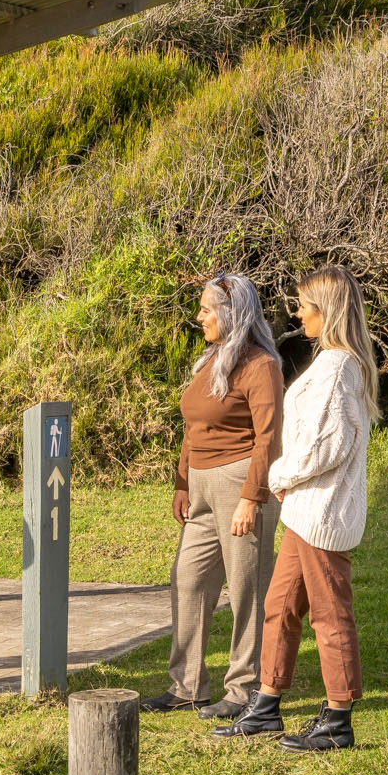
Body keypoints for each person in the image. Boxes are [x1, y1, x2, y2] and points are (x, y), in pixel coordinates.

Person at [212, 264, 379, 751]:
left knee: (330, 614)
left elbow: (328, 447)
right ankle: (265, 705)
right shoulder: (333, 361)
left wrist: (278, 476)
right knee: (279, 605)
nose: (298, 313)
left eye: (305, 306)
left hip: (321, 513)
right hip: (305, 510)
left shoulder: (341, 366)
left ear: (326, 312)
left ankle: (338, 717)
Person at [141, 274, 283, 719]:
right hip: (201, 485)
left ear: (231, 313)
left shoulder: (261, 365)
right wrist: (183, 483)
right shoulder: (210, 361)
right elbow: (193, 427)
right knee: (188, 579)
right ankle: (187, 685)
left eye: (206, 309)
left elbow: (269, 439)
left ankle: (244, 690)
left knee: (246, 589)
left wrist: (251, 497)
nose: (199, 316)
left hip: (240, 482)